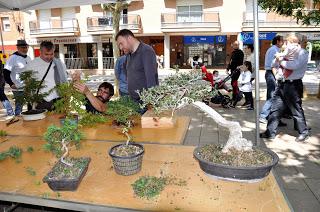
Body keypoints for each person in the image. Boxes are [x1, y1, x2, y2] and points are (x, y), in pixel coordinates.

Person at [260, 34, 310, 142]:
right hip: (282, 83)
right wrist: (278, 59)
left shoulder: (302, 53)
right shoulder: (284, 53)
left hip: (293, 84)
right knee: (275, 108)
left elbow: (294, 65)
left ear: (298, 43)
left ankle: (304, 132)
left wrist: (280, 60)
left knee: (296, 109)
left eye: (290, 42)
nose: (288, 45)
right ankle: (270, 132)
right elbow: (274, 64)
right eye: (287, 42)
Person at [115, 29, 158, 107]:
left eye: (121, 43)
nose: (120, 48)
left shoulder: (146, 51)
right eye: (119, 45)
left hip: (145, 102)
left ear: (129, 38)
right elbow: (127, 73)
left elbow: (151, 79)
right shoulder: (128, 55)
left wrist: (151, 103)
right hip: (133, 100)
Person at [26, 41, 68, 111]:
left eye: (51, 54)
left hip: (58, 100)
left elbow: (64, 81)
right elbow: (27, 84)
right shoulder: (31, 65)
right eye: (46, 54)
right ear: (40, 52)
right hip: (40, 102)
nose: (49, 57)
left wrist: (66, 97)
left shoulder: (59, 64)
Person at [259, 35, 284, 123]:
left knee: (273, 96)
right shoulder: (274, 50)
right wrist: (277, 77)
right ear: (277, 41)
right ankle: (263, 116)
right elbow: (273, 65)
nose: (283, 42)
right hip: (272, 74)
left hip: (271, 73)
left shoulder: (274, 49)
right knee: (272, 96)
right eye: (282, 41)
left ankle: (272, 116)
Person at [3, 40, 31, 115]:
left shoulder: (28, 57)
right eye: (23, 47)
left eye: (26, 47)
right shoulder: (13, 58)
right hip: (18, 88)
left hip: (28, 87)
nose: (25, 49)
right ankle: (17, 122)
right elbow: (5, 72)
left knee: (31, 104)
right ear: (18, 48)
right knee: (19, 106)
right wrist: (11, 84)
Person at [227, 41, 244, 107]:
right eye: (234, 45)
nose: (235, 46)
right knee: (232, 83)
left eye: (236, 45)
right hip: (232, 70)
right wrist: (228, 68)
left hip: (237, 70)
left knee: (234, 83)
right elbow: (230, 61)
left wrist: (238, 68)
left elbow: (241, 62)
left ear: (238, 45)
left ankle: (237, 95)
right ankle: (236, 95)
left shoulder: (240, 52)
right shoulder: (233, 52)